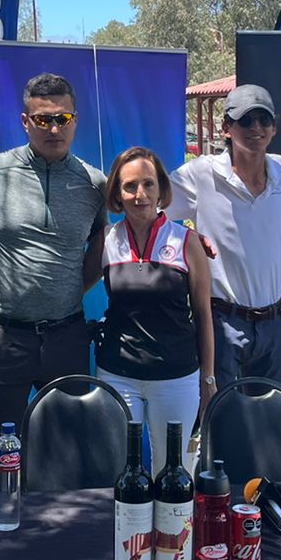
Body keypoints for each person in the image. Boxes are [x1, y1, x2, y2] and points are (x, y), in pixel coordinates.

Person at [0, 73, 106, 490]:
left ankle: (60, 543)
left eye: (63, 118)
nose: (54, 128)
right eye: (43, 120)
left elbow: (101, 241)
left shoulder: (94, 184)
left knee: (66, 448)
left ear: (75, 120)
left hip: (66, 336)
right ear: (25, 121)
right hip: (3, 337)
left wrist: (65, 292)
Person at [169, 85, 281, 387]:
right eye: (246, 120)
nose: (256, 128)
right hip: (222, 323)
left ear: (274, 128)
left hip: (274, 323)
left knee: (269, 420)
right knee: (223, 421)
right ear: (227, 127)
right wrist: (187, 238)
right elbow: (152, 209)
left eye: (264, 119)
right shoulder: (201, 173)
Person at [96, 147, 216, 445]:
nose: (141, 194)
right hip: (117, 374)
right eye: (130, 186)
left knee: (176, 475)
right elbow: (72, 291)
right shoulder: (106, 240)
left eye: (149, 184)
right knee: (122, 472)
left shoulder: (187, 242)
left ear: (162, 188)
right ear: (117, 194)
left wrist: (208, 378)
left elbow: (203, 314)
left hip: (177, 377)